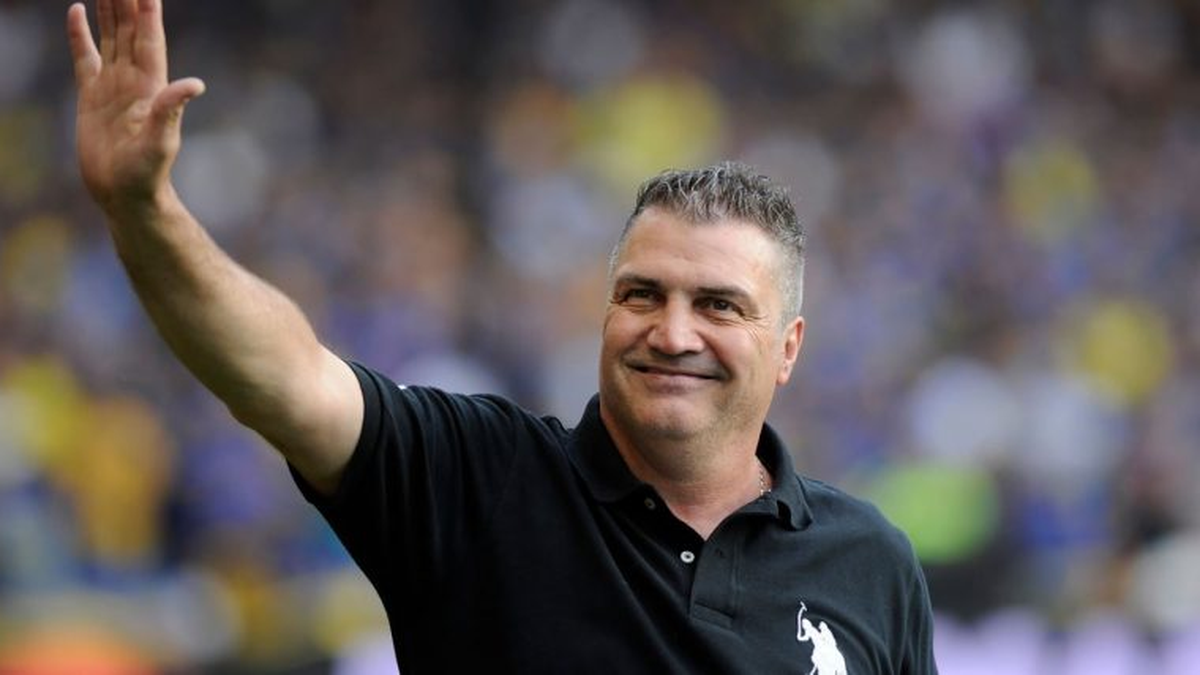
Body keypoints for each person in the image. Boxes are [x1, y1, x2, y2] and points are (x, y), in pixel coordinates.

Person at [67, 1, 938, 672]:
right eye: (642, 294)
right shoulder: (477, 481)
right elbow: (283, 376)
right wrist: (146, 211)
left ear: (787, 347)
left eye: (718, 305)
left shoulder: (870, 563)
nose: (673, 332)